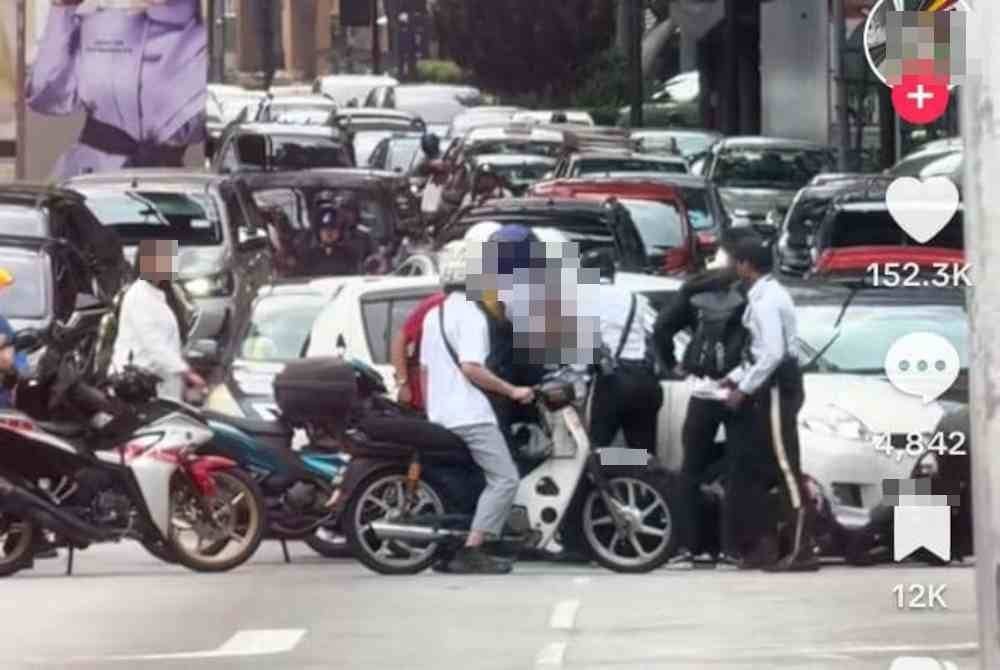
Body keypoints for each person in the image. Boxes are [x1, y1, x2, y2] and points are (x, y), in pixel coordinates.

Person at [419, 240, 535, 574]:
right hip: (470, 415)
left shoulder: (434, 314)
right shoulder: (472, 314)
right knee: (505, 479)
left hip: (441, 414)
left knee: (474, 481)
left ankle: (467, 539)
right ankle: (474, 548)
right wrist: (512, 391)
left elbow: (425, 371)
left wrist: (432, 411)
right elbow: (472, 367)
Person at [653, 227, 758, 568]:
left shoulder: (695, 287)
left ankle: (690, 548)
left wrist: (673, 365)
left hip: (701, 389)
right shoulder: (753, 288)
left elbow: (661, 329)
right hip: (740, 391)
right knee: (740, 470)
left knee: (690, 469)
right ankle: (732, 549)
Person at [722, 234, 818, 572]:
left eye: (736, 262)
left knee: (785, 464)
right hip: (773, 382)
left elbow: (774, 353)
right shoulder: (766, 294)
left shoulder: (765, 300)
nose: (733, 267)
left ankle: (801, 547)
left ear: (746, 266)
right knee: (765, 466)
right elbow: (761, 352)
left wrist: (743, 389)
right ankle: (770, 546)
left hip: (778, 386)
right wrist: (737, 376)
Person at [27, 0, 207, 179]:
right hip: (86, 183)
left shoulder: (210, 43)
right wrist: (62, 9)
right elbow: (46, 97)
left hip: (165, 190)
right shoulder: (98, 24)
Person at [584, 248, 663, 454]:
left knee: (595, 453)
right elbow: (654, 332)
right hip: (646, 382)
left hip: (613, 384)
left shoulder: (582, 298)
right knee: (642, 453)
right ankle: (642, 477)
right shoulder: (636, 299)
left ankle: (609, 480)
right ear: (613, 273)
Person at [111, 240, 205, 401]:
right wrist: (187, 372)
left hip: (164, 381)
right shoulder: (138, 295)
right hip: (141, 383)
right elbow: (153, 343)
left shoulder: (162, 295)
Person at [390, 290, 446, 411]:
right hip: (424, 397)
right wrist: (403, 383)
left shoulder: (489, 306)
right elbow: (400, 339)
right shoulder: (438, 303)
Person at [301, 205, 361, 277]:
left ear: (340, 232)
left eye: (333, 228)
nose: (329, 233)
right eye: (325, 229)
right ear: (318, 232)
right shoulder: (309, 257)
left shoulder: (350, 255)